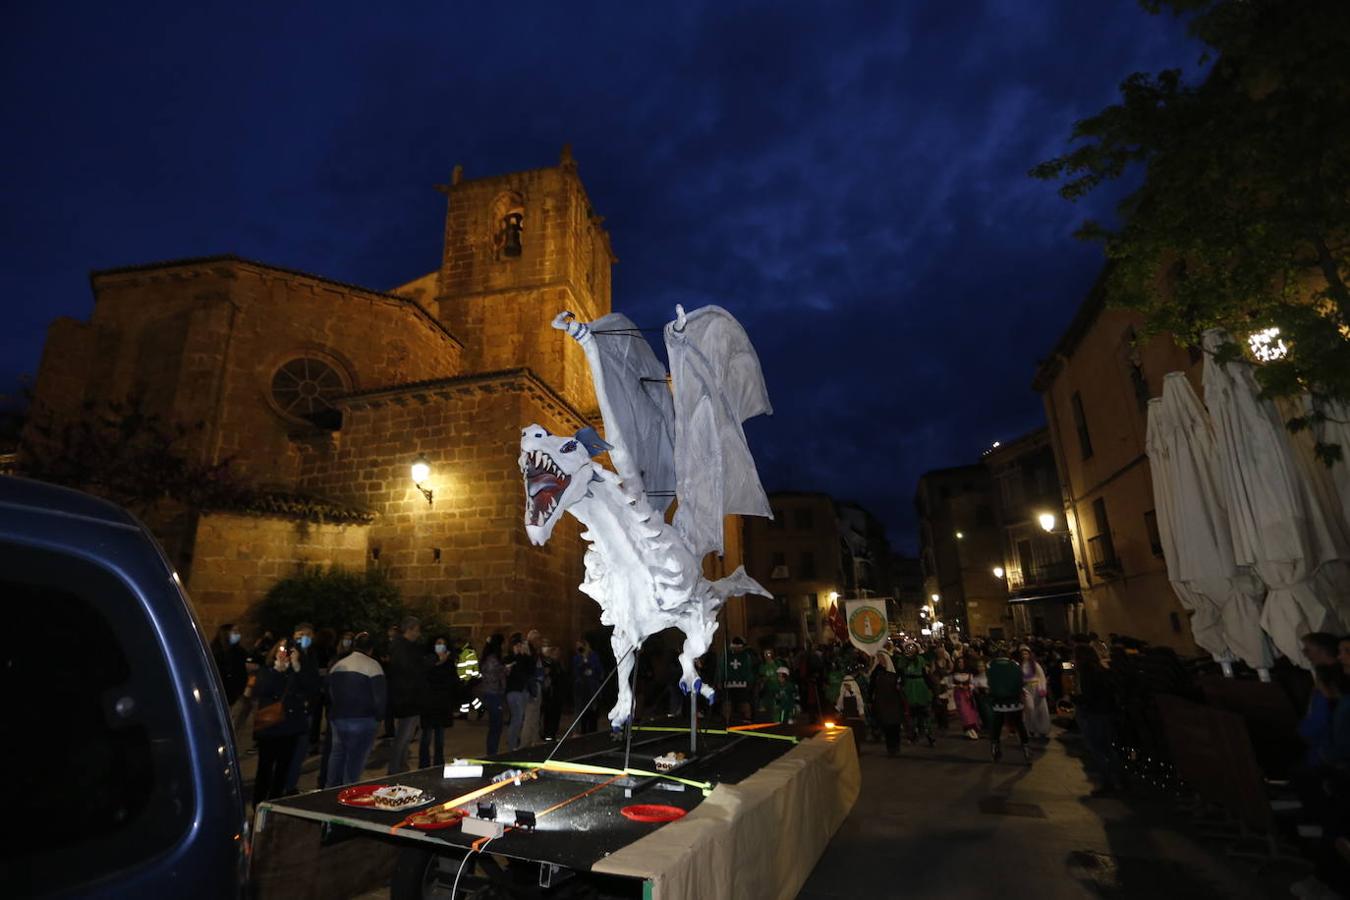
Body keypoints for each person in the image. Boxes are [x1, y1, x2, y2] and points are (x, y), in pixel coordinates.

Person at [251, 640, 308, 809]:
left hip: (289, 729)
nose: (284, 654)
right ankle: (258, 804)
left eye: (289, 651)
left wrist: (297, 668)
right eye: (281, 649)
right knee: (265, 769)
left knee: (283, 769)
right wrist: (276, 670)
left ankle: (275, 803)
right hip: (270, 729)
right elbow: (261, 691)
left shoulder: (296, 672)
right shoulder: (267, 671)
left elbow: (310, 689)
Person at [326, 632, 386, 787]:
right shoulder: (373, 666)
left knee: (337, 754)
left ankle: (330, 788)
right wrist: (379, 718)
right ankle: (349, 790)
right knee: (355, 759)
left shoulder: (338, 665)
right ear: (371, 649)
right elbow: (379, 698)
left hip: (338, 718)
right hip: (363, 719)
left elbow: (330, 693)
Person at [1073, 644, 1124, 796]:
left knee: (1098, 749)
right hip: (1107, 712)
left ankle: (1107, 782)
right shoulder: (1101, 668)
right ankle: (1122, 780)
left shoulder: (1086, 671)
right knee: (1109, 748)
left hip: (1094, 713)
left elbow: (1089, 695)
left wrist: (1075, 699)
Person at [281, 622, 324, 793]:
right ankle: (285, 786)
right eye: (301, 635)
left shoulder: (311, 654)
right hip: (291, 710)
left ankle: (290, 784)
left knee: (299, 752)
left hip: (306, 708)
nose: (304, 638)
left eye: (308, 635)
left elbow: (313, 683)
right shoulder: (287, 654)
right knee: (290, 751)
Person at [386, 616, 427, 775]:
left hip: (409, 697)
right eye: (416, 630)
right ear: (409, 630)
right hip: (407, 698)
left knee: (405, 736)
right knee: (402, 736)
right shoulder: (402, 648)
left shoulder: (404, 647)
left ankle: (400, 766)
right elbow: (410, 670)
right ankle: (395, 769)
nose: (418, 634)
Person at [987, 645, 1031, 763]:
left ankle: (995, 747)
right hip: (1014, 701)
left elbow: (989, 682)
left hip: (998, 701)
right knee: (1019, 724)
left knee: (997, 725)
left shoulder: (991, 665)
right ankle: (1026, 748)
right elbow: (1021, 681)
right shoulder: (1015, 665)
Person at [419, 635, 458, 768]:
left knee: (439, 739)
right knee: (426, 737)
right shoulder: (427, 660)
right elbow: (426, 678)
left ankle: (438, 765)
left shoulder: (450, 663)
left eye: (442, 644)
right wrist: (438, 663)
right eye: (438, 643)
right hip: (429, 704)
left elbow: (452, 682)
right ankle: (423, 765)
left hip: (442, 705)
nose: (440, 646)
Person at [897, 642, 935, 746]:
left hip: (920, 686)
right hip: (910, 687)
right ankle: (913, 734)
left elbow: (925, 674)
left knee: (925, 712)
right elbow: (900, 672)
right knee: (911, 713)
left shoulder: (920, 660)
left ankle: (929, 734)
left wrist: (931, 687)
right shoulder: (903, 661)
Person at [869, 652, 905, 756]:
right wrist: (870, 699)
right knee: (886, 725)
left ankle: (896, 744)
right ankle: (890, 747)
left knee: (895, 724)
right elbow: (872, 686)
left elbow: (902, 682)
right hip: (882, 701)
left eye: (882, 657)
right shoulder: (876, 671)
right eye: (878, 658)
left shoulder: (895, 671)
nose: (880, 660)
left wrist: (900, 686)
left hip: (894, 700)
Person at [505, 634, 534, 751]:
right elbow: (515, 673)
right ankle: (512, 745)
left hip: (523, 691)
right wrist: (519, 655)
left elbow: (530, 670)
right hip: (514, 691)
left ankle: (516, 742)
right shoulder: (510, 658)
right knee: (517, 718)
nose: (520, 647)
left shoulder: (524, 658)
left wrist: (527, 654)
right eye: (518, 645)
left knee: (520, 718)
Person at [480, 634, 506, 755]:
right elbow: (492, 677)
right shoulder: (492, 659)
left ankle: (492, 752)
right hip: (493, 694)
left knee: (496, 726)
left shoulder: (490, 658)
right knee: (495, 726)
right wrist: (503, 670)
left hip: (493, 694)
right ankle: (491, 753)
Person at [519, 629, 546, 746]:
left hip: (536, 684)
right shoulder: (527, 650)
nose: (540, 642)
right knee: (530, 715)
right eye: (538, 639)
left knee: (535, 714)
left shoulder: (535, 651)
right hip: (531, 686)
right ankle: (524, 742)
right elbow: (528, 668)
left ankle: (535, 739)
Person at [720, 637, 756, 724]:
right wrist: (721, 680)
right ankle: (727, 720)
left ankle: (747, 719)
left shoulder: (745, 656)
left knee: (744, 701)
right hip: (728, 683)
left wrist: (749, 681)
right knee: (727, 702)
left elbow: (748, 670)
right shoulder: (726, 655)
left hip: (742, 683)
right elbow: (722, 668)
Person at [1019, 644, 1051, 740]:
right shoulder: (1020, 666)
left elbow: (1041, 677)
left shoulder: (1035, 665)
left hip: (1036, 689)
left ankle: (1042, 729)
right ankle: (1031, 728)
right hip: (1026, 689)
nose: (1024, 655)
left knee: (1040, 709)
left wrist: (1042, 688)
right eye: (1023, 654)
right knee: (1029, 709)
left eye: (1026, 653)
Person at [572, 638, 603, 733]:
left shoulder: (594, 656)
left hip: (592, 687)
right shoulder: (576, 658)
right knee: (582, 711)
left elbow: (598, 670)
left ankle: (592, 731)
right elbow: (576, 671)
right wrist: (584, 660)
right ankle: (581, 731)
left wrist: (587, 660)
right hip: (581, 688)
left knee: (593, 710)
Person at [952, 657, 981, 739]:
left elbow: (973, 684)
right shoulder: (954, 675)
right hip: (959, 695)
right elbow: (949, 684)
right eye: (959, 662)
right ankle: (968, 729)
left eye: (962, 662)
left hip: (968, 695)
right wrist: (957, 686)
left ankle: (972, 729)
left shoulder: (969, 675)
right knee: (964, 713)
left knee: (971, 712)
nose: (961, 664)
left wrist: (968, 687)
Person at [539, 641, 564, 741]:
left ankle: (552, 734)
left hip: (557, 694)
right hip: (551, 694)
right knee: (549, 715)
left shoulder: (558, 664)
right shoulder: (549, 663)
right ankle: (548, 734)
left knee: (555, 715)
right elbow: (549, 678)